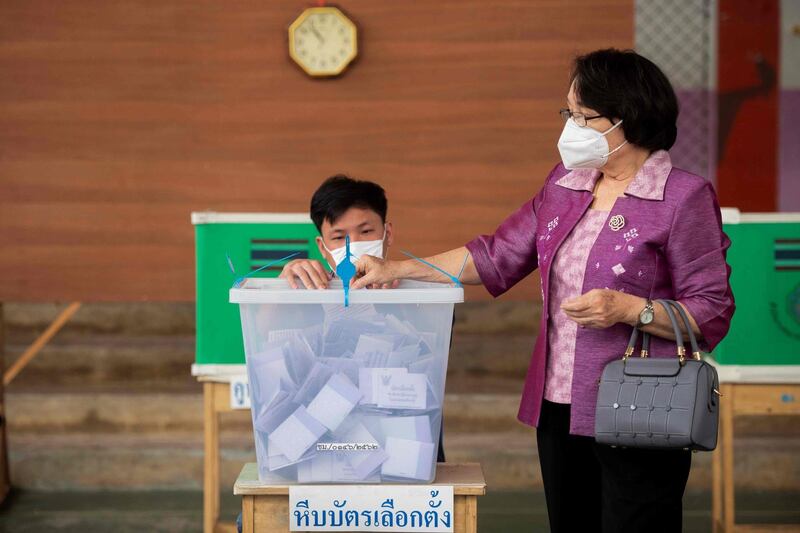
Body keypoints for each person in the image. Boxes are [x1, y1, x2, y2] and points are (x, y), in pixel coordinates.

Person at [352, 48, 735, 533]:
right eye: (567, 113)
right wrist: (397, 268)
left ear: (627, 118)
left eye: (582, 116)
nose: (570, 127)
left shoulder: (683, 197)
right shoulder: (565, 183)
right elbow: (495, 254)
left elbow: (712, 309)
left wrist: (630, 309)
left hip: (641, 404)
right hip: (558, 404)